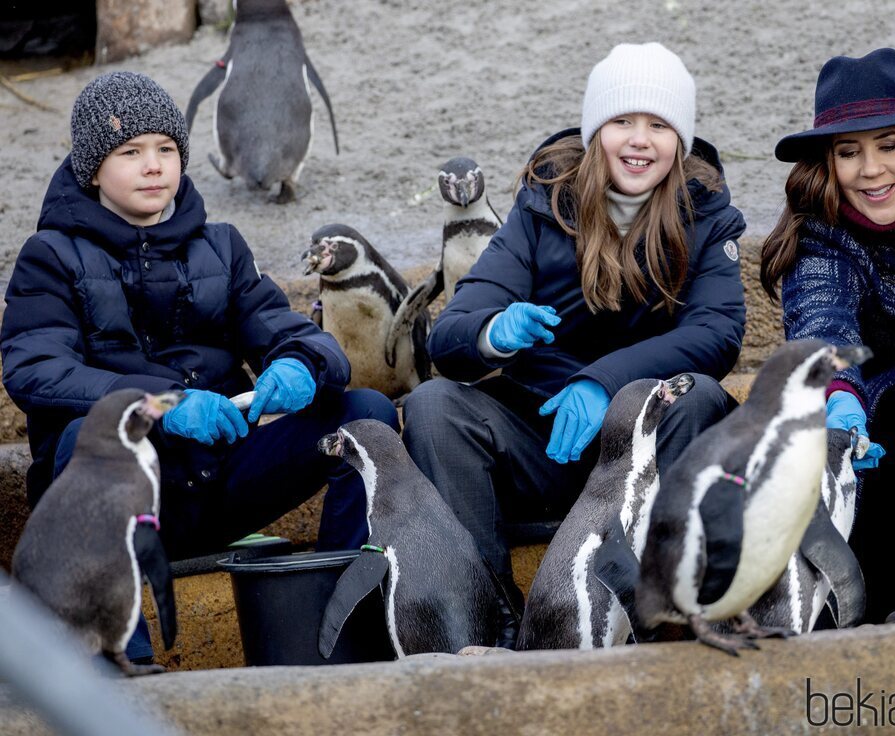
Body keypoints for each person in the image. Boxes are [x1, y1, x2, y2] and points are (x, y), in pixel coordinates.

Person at [0, 72, 399, 660]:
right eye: (130, 152)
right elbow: (35, 370)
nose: (153, 165)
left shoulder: (222, 245)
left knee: (364, 416)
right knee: (85, 440)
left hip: (222, 480)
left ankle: (345, 632)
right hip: (123, 503)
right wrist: (163, 406)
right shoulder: (51, 257)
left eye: (166, 149)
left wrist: (302, 363)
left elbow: (293, 333)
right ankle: (122, 664)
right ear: (92, 169)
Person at [402, 43, 747, 647]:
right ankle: (488, 624)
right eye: (621, 121)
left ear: (680, 139)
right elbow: (454, 333)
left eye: (659, 125)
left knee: (698, 398)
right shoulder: (543, 204)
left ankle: (665, 618)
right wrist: (493, 332)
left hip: (647, 442)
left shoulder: (707, 212)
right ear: (595, 131)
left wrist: (603, 382)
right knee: (435, 406)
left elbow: (717, 333)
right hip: (550, 440)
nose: (639, 140)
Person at [760, 48, 895, 623]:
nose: (872, 170)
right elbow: (821, 322)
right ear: (827, 164)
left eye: (889, 145)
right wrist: (838, 397)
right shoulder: (822, 233)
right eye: (848, 152)